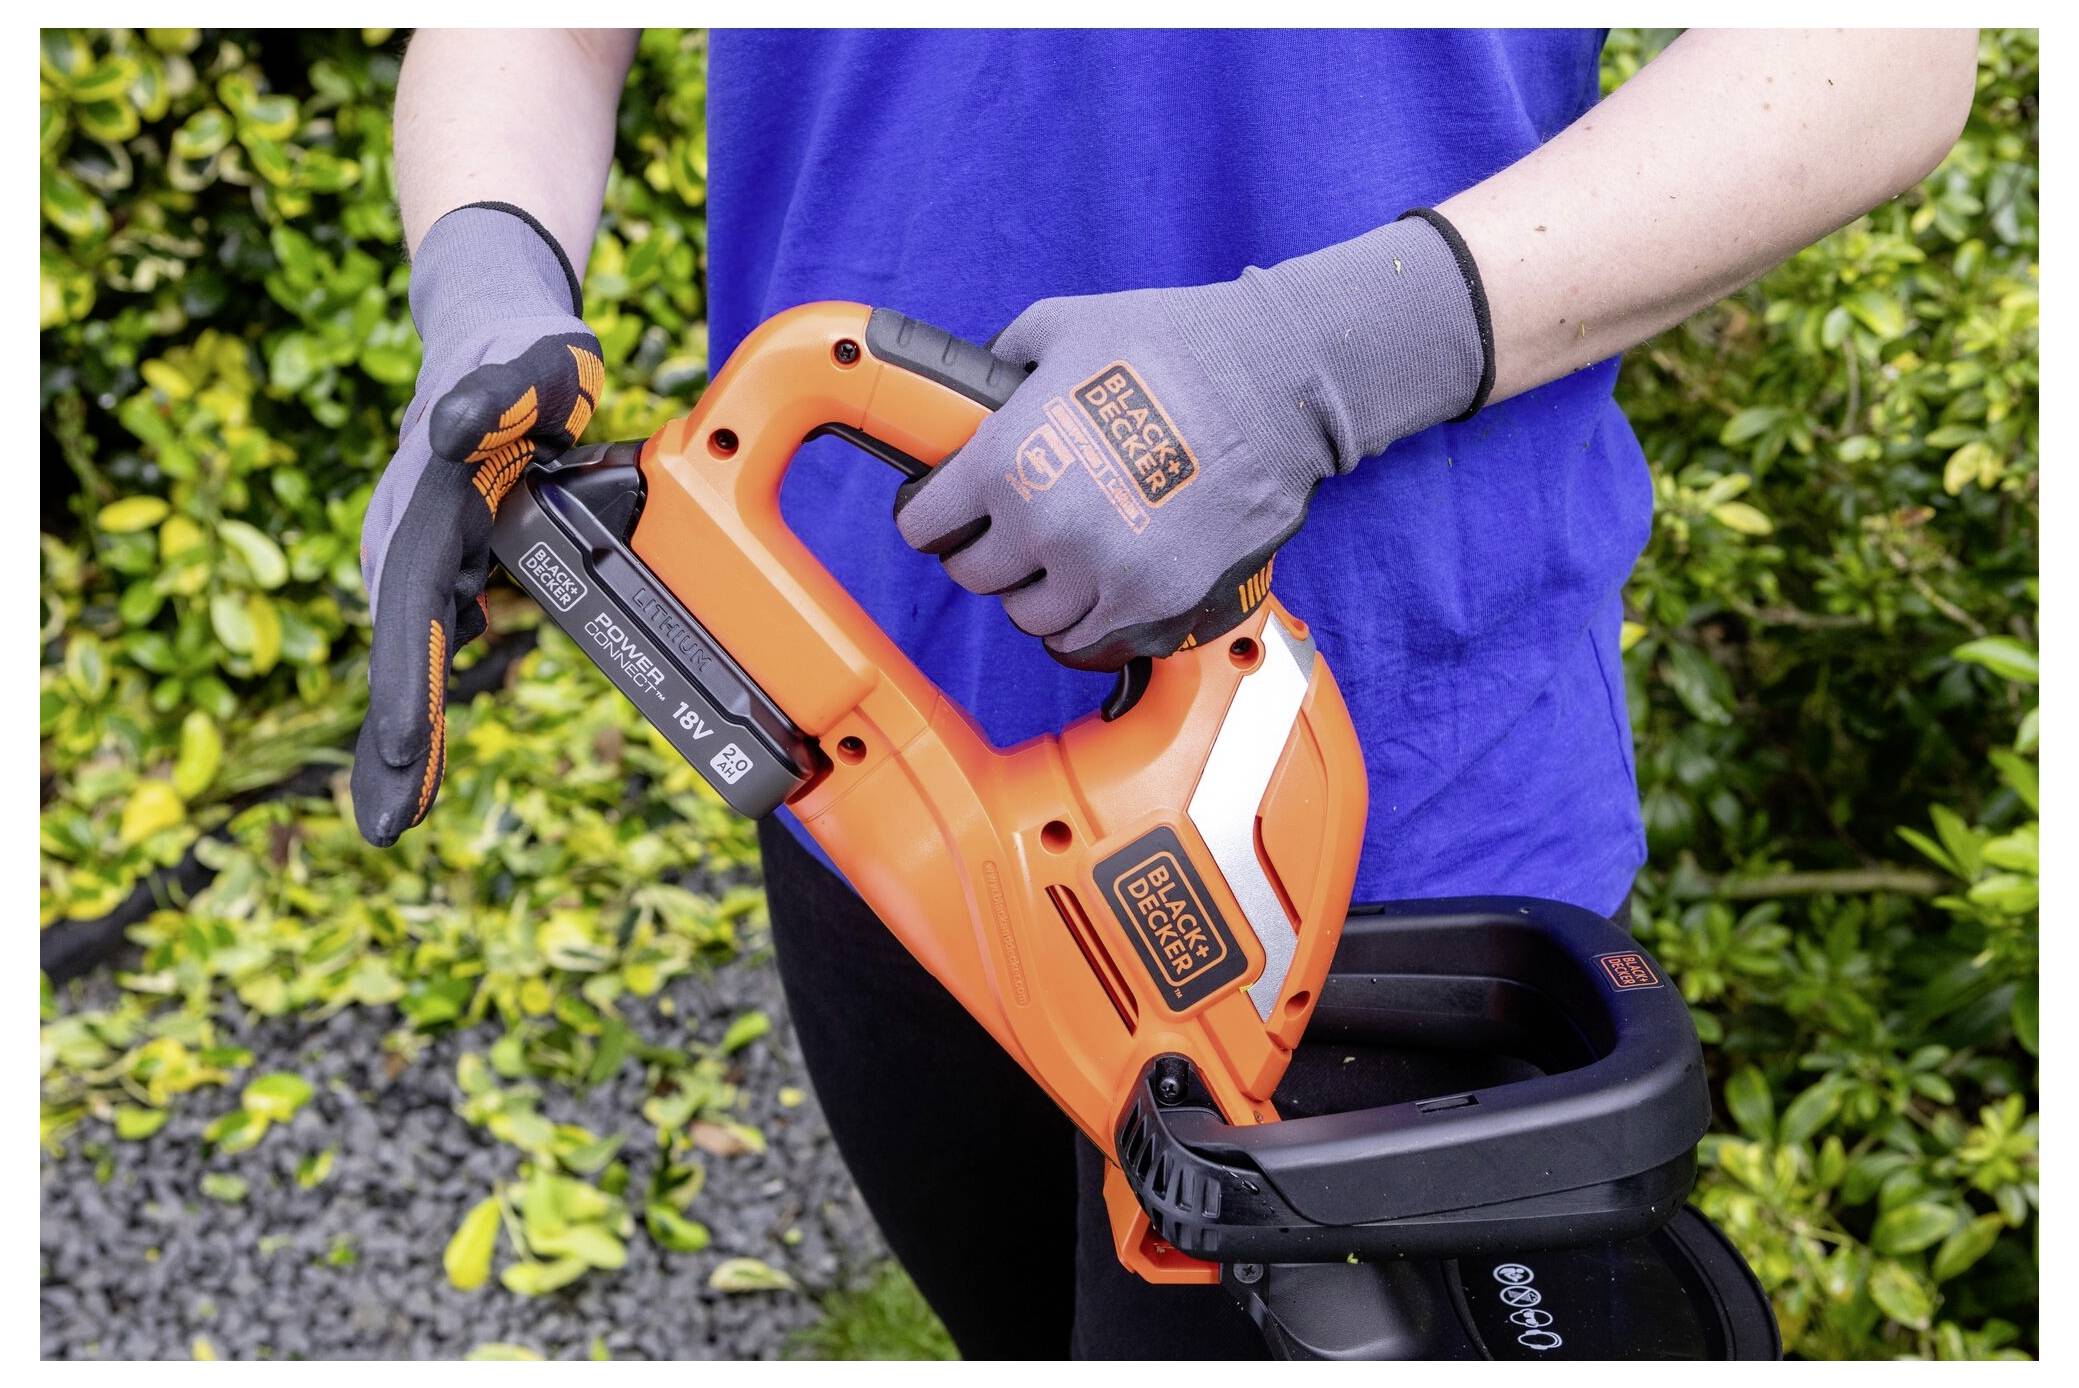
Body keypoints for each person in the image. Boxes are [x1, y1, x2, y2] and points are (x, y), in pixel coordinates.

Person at [351, 28, 1977, 1358]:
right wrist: (482, 299)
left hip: (1350, 851)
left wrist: (1315, 360)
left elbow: (1881, 50)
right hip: (858, 776)